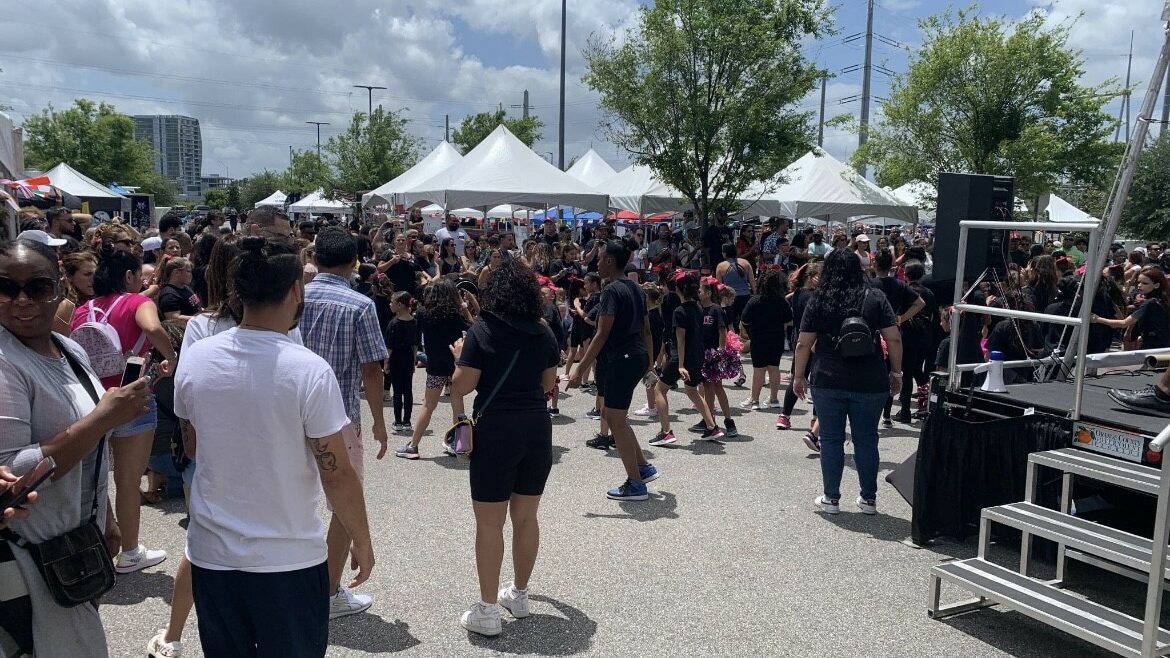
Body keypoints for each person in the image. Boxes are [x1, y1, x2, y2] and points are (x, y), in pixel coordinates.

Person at [174, 236, 374, 657]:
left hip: (212, 554)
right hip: (288, 556)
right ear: (294, 291)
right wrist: (361, 538)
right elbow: (336, 472)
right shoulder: (308, 370)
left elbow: (192, 444)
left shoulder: (197, 357)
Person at [0, 238, 149, 657]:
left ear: (61, 288)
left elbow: (91, 452)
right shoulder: (4, 361)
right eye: (6, 287)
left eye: (38, 287)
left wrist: (105, 517)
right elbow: (12, 471)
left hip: (73, 542)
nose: (21, 301)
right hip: (26, 553)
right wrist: (104, 417)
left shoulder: (68, 348)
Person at [449, 258, 560, 636]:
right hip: (536, 427)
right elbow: (549, 383)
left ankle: (487, 610)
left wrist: (457, 356)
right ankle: (521, 594)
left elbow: (461, 386)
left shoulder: (482, 330)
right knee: (527, 517)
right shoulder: (543, 333)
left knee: (489, 522)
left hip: (497, 428)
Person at [299, 227, 388, 619]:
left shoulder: (293, 298)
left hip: (291, 411)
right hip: (339, 416)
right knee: (343, 502)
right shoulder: (359, 304)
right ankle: (330, 592)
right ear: (354, 262)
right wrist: (379, 421)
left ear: (315, 258)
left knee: (296, 499)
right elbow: (372, 369)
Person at [72, 246, 175, 574]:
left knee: (96, 479)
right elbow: (154, 329)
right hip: (132, 400)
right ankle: (129, 552)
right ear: (129, 276)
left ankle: (105, 540)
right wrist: (171, 356)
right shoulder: (137, 302)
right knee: (129, 482)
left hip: (92, 404)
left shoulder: (82, 309)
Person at [793, 249, 902, 516]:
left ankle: (831, 499)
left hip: (828, 376)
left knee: (830, 439)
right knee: (867, 440)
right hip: (870, 378)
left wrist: (798, 376)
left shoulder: (819, 299)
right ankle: (868, 499)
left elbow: (803, 343)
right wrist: (896, 373)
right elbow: (894, 338)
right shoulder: (875, 297)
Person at [569, 240, 659, 501]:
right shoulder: (636, 288)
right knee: (612, 414)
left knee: (615, 419)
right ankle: (643, 466)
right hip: (637, 355)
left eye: (599, 257)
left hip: (623, 358)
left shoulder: (610, 291)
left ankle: (636, 484)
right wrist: (650, 364)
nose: (596, 262)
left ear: (609, 260)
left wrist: (579, 369)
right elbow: (647, 330)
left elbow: (601, 333)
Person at [396, 279, 474, 459]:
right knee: (458, 406)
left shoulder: (424, 313)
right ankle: (459, 444)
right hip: (455, 363)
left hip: (435, 365)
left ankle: (413, 446)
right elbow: (471, 328)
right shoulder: (456, 315)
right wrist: (464, 309)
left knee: (428, 406)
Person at [649, 273, 724, 446]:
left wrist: (681, 364)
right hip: (698, 356)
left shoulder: (679, 311)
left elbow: (680, 340)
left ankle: (666, 432)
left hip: (681, 359)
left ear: (679, 289)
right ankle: (712, 426)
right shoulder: (698, 307)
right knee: (692, 391)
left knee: (659, 390)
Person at [740, 269, 793, 410]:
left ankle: (754, 399)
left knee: (759, 369)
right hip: (777, 338)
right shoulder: (782, 301)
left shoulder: (755, 301)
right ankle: (774, 399)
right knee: (774, 368)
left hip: (758, 338)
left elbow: (744, 320)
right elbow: (789, 321)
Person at [1093, 265, 1170, 351]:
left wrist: (1097, 319)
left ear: (1156, 285)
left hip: (1154, 347)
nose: (1139, 286)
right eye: (1139, 282)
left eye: (1145, 283)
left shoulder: (1150, 303)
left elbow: (1124, 323)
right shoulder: (1161, 301)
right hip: (1163, 346)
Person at [384, 291, 420, 433]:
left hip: (396, 358)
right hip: (408, 357)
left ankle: (398, 421)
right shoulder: (415, 322)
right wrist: (414, 360)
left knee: (397, 390)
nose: (390, 304)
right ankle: (407, 421)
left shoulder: (393, 323)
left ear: (399, 305)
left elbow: (389, 347)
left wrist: (386, 363)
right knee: (408, 390)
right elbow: (415, 345)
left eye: (392, 302)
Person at [53, 251, 98, 335]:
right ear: (69, 276)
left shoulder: (98, 302)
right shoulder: (64, 307)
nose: (94, 279)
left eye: (96, 274)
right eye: (87, 274)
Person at [715, 243, 756, 334]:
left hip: (729, 298)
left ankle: (733, 343)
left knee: (730, 324)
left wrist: (720, 301)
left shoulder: (721, 266)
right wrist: (756, 295)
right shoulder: (746, 263)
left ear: (725, 253)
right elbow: (752, 282)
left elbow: (719, 286)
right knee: (745, 322)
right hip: (745, 296)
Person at [157, 256, 202, 323]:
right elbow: (173, 318)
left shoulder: (186, 288)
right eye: (188, 271)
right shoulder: (169, 295)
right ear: (176, 273)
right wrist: (200, 319)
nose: (191, 275)